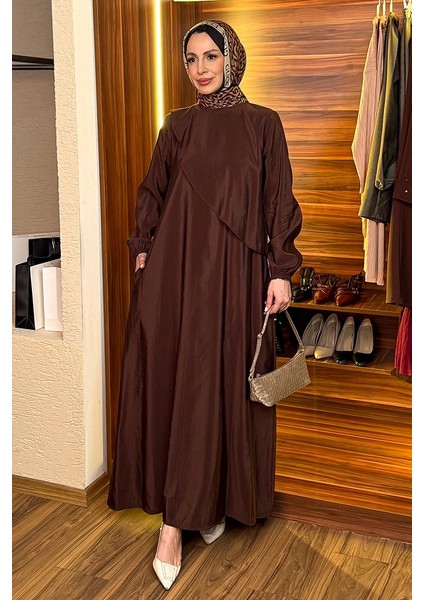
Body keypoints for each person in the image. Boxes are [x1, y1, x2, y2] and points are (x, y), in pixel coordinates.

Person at [107, 19, 303, 590]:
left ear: (231, 58)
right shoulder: (176, 125)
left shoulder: (263, 124)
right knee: (182, 384)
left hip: (237, 278)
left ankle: (211, 501)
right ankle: (173, 524)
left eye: (210, 56)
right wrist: (144, 249)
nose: (199, 68)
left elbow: (278, 202)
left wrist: (281, 272)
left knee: (223, 383)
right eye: (191, 58)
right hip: (178, 273)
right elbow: (153, 191)